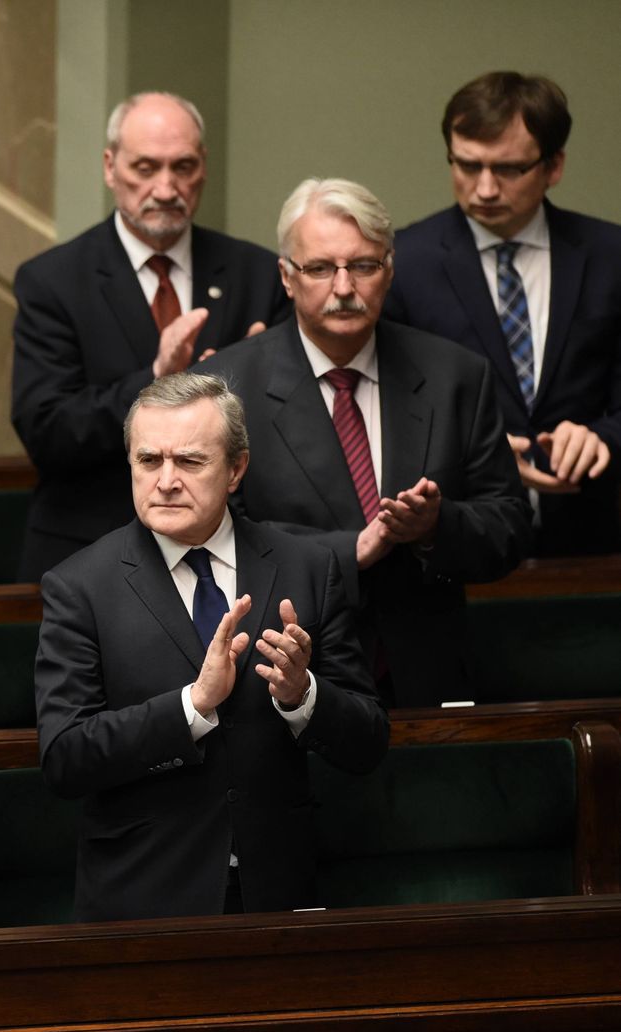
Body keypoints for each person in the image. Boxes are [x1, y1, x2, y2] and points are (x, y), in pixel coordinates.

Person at [37, 372, 387, 922]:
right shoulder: (79, 586)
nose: (167, 481)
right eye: (149, 461)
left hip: (279, 893)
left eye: (191, 462)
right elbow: (65, 759)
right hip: (143, 900)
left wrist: (303, 697)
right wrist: (192, 707)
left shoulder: (308, 568)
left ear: (236, 470)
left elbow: (367, 741)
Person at [203, 178, 532, 708]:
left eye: (363, 266)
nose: (343, 287)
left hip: (427, 677)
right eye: (320, 268)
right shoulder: (226, 388)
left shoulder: (455, 376)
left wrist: (434, 527)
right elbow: (211, 539)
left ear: (390, 270)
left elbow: (510, 528)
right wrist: (346, 551)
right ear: (287, 277)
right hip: (282, 681)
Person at [11, 91, 290, 580]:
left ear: (203, 166)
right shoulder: (53, 280)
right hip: (91, 555)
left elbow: (287, 428)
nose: (165, 188)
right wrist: (159, 376)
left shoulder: (257, 273)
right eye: (146, 168)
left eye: (182, 167)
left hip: (228, 555)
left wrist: (245, 382)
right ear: (110, 167)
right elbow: (48, 431)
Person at [383, 72, 621, 555]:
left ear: (554, 166)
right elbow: (386, 411)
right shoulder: (403, 263)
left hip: (595, 538)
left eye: (508, 169)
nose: (485, 189)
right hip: (460, 543)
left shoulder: (610, 255)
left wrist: (602, 436)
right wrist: (480, 456)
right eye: (468, 166)